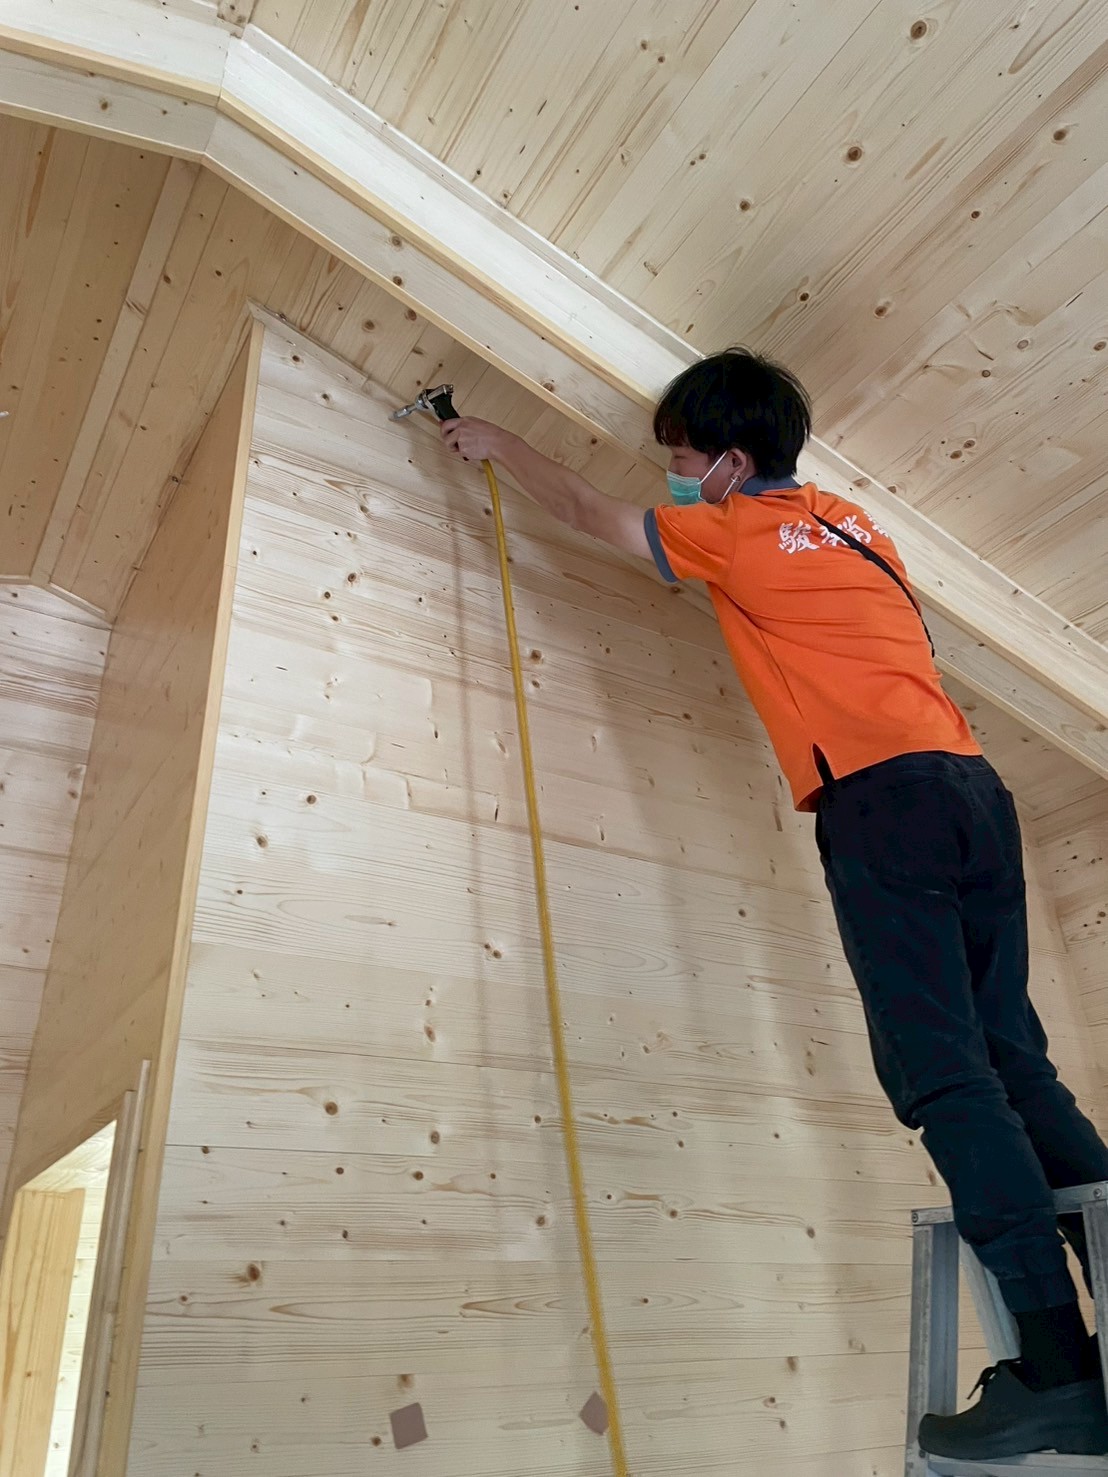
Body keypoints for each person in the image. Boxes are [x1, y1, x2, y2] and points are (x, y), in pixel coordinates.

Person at [440, 348, 1108, 1462]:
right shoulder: (857, 523)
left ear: (732, 463)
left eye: (681, 460)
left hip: (882, 800)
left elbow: (593, 515)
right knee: (1013, 1060)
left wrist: (498, 442)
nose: (673, 478)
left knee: (944, 1076)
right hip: (974, 792)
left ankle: (1055, 1370)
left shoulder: (737, 529)